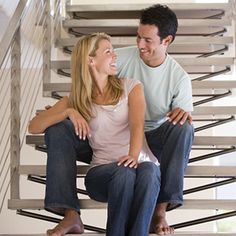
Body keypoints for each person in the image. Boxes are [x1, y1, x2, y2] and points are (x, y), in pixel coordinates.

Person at [28, 32, 161, 236]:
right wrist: (68, 112)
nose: (115, 56)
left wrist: (133, 157)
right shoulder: (78, 100)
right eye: (108, 52)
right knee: (123, 173)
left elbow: (137, 124)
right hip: (102, 173)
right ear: (91, 60)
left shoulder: (131, 87)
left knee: (149, 171)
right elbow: (34, 126)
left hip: (139, 165)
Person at [115, 4, 195, 235]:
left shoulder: (179, 78)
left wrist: (182, 115)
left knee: (184, 128)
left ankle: (160, 211)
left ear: (166, 41)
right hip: (123, 132)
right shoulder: (122, 58)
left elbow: (183, 116)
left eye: (148, 40)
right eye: (138, 37)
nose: (140, 44)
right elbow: (92, 80)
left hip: (156, 138)